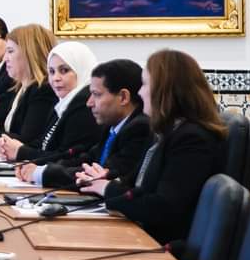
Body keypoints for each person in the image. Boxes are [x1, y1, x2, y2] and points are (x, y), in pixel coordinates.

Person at [78, 50, 227, 244]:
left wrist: (107, 189)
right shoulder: (165, 132)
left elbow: (163, 208)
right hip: (142, 234)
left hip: (161, 245)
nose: (140, 92)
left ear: (165, 90)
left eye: (145, 84)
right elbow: (136, 185)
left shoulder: (192, 139)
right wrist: (106, 180)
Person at [16, 59, 151, 189]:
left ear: (123, 97)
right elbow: (87, 160)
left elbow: (100, 176)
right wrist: (39, 167)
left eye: (96, 94)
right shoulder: (112, 127)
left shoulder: (140, 129)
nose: (89, 103)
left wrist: (42, 173)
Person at [0, 41, 105, 164]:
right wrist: (12, 146)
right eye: (52, 72)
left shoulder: (85, 106)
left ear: (81, 69)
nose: (55, 78)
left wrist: (21, 152)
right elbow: (44, 143)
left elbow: (68, 158)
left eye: (64, 70)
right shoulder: (63, 103)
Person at [0, 24, 57, 146]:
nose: (5, 58)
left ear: (30, 53)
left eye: (10, 51)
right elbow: (11, 131)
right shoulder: (19, 88)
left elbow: (26, 142)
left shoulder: (44, 90)